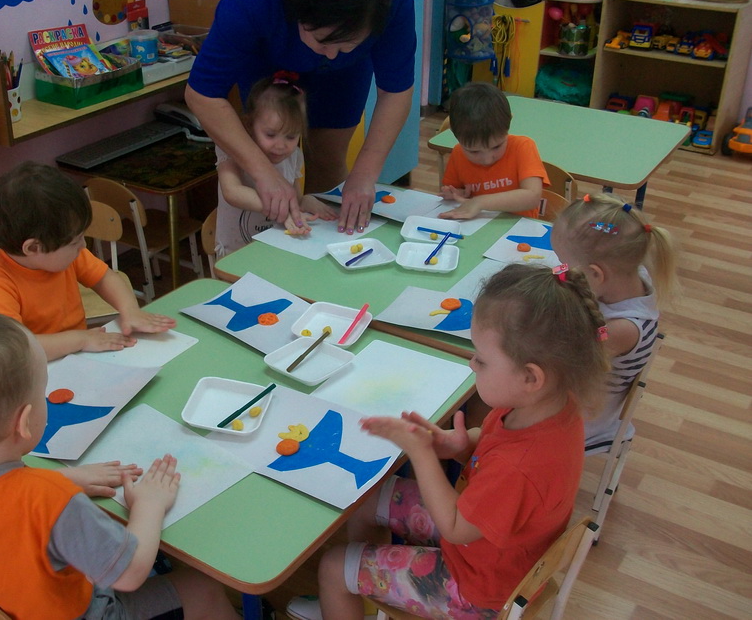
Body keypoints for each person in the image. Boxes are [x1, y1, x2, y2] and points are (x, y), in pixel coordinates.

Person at [289, 263, 609, 620]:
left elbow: (455, 527)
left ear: (531, 377)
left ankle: (345, 590)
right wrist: (463, 445)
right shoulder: (548, 405)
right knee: (367, 498)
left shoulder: (520, 468)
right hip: (487, 545)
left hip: (476, 589)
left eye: (482, 360)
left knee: (334, 566)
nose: (472, 364)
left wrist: (422, 454)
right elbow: (494, 445)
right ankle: (358, 591)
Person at [0, 310, 238, 620]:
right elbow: (130, 573)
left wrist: (66, 479)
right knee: (204, 588)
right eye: (43, 391)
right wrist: (149, 505)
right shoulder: (52, 501)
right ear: (24, 422)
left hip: (6, 603)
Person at [185, 0, 416, 235]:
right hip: (266, 53)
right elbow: (201, 93)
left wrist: (365, 174)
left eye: (347, 45)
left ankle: (320, 244)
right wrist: (264, 174)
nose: (331, 55)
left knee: (329, 155)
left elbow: (396, 90)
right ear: (297, 12)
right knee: (269, 151)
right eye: (323, 42)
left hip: (349, 71)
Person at [0, 162, 176, 362]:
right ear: (33, 248)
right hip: (36, 370)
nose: (83, 245)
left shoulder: (65, 255)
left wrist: (130, 310)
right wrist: (81, 340)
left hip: (77, 356)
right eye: (74, 241)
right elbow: (18, 349)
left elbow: (105, 278)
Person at [551, 192, 677, 453]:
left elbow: (558, 363)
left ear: (596, 274)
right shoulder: (630, 275)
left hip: (584, 420)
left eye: (564, 264)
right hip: (579, 388)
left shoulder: (622, 329)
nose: (560, 270)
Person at [216, 71, 337, 256]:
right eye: (270, 135)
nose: (281, 146)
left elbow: (294, 198)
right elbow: (232, 192)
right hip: (235, 252)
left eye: (291, 136)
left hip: (274, 250)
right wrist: (283, 208)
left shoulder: (293, 156)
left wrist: (305, 201)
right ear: (250, 125)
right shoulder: (231, 149)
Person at [439, 82, 548, 220]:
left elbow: (532, 197)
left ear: (508, 122)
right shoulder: (458, 153)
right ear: (453, 132)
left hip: (519, 226)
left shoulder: (523, 147)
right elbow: (456, 191)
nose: (487, 159)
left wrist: (479, 202)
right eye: (474, 152)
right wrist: (457, 193)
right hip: (476, 224)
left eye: (496, 147)